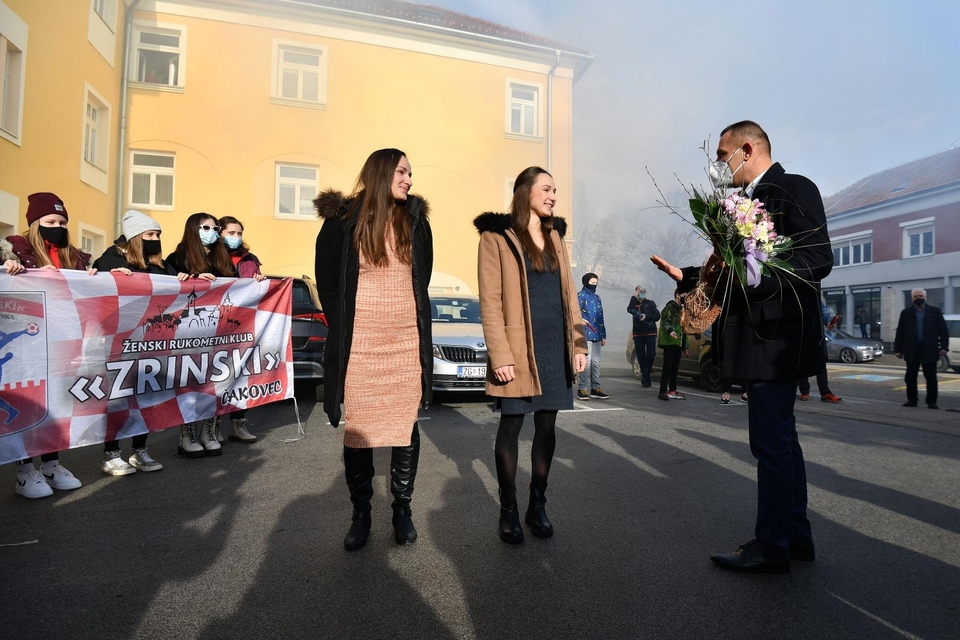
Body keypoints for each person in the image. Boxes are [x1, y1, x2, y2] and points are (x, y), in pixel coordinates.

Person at [652, 121, 833, 573]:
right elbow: (732, 267)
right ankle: (796, 536)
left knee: (769, 444)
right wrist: (688, 276)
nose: (717, 164)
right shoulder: (739, 202)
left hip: (776, 340)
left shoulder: (793, 189)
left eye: (721, 154)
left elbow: (817, 258)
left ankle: (771, 546)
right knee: (782, 441)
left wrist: (759, 279)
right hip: (758, 340)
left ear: (746, 150)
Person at [314, 148, 433, 550]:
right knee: (359, 432)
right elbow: (328, 285)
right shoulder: (341, 222)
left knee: (405, 426)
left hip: (405, 343)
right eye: (402, 172)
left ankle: (402, 509)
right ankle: (361, 513)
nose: (409, 180)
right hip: (360, 347)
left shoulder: (416, 222)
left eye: (410, 173)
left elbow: (420, 281)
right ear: (381, 173)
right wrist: (348, 327)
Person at [475, 166, 588, 544]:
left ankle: (537, 504)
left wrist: (578, 345)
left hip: (554, 346)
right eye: (546, 189)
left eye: (555, 190)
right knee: (511, 426)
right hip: (517, 350)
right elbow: (490, 302)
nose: (553, 196)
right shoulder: (495, 237)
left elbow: (571, 298)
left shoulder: (556, 236)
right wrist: (500, 355)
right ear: (525, 192)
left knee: (547, 428)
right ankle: (508, 510)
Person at [3, 192, 92, 497]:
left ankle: (52, 464)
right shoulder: (14, 250)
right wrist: (8, 265)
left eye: (62, 222)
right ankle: (25, 471)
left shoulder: (76, 257)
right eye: (50, 222)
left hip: (61, 341)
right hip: (26, 343)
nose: (57, 227)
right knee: (29, 403)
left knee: (56, 404)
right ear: (34, 223)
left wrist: (97, 276)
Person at [93, 210, 189, 474]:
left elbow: (179, 289)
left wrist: (188, 278)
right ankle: (111, 454)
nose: (155, 239)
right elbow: (94, 290)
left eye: (158, 235)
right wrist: (109, 277)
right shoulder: (110, 259)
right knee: (118, 398)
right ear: (135, 237)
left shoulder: (160, 266)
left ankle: (139, 450)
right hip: (119, 344)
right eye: (150, 235)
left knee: (145, 397)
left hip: (151, 344)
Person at [166, 212, 237, 456]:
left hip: (219, 333)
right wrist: (190, 280)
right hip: (187, 335)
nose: (212, 232)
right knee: (189, 384)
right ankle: (187, 435)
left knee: (215, 383)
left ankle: (210, 431)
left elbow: (236, 289)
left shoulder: (222, 258)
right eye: (206, 228)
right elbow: (165, 291)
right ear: (193, 230)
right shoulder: (177, 258)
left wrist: (255, 281)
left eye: (215, 228)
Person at [218, 215, 265, 444]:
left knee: (240, 376)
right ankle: (213, 426)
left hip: (243, 325)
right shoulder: (212, 257)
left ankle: (238, 424)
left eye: (239, 233)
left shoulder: (249, 259)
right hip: (217, 326)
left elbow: (257, 290)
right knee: (216, 377)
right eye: (231, 233)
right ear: (220, 234)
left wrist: (260, 280)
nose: (236, 237)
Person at [894, 289, 949, 409]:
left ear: (925, 297)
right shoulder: (906, 313)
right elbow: (900, 332)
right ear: (912, 298)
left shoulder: (934, 312)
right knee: (910, 377)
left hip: (929, 348)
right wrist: (897, 349)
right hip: (912, 349)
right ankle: (912, 400)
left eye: (920, 296)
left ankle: (931, 402)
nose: (918, 298)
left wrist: (944, 347)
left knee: (931, 377)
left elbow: (943, 331)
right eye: (915, 296)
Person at [799, 299, 842, 403]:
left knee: (821, 363)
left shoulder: (815, 295)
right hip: (801, 333)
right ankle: (804, 391)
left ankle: (825, 393)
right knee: (802, 363)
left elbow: (823, 310)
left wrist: (828, 322)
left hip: (816, 333)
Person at [577, 272, 608, 400]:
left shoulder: (597, 298)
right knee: (587, 362)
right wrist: (581, 319)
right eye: (592, 283)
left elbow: (600, 317)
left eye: (596, 283)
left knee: (596, 362)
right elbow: (574, 312)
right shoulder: (580, 296)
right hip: (585, 333)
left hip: (597, 333)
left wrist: (603, 334)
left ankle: (595, 388)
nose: (594, 285)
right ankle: (582, 389)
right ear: (586, 282)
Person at [657, 289, 687, 401]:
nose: (686, 298)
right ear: (678, 295)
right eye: (684, 295)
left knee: (675, 368)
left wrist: (685, 346)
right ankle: (662, 391)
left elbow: (684, 329)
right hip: (669, 341)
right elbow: (664, 321)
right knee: (667, 367)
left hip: (677, 342)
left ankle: (672, 390)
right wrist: (670, 330)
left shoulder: (682, 310)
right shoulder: (670, 307)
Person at [628, 285, 659, 388]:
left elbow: (657, 316)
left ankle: (646, 375)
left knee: (651, 355)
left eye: (641, 292)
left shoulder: (650, 303)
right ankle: (647, 379)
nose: (639, 294)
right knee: (640, 356)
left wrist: (647, 316)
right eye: (638, 292)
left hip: (650, 332)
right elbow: (630, 309)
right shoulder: (634, 304)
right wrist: (634, 297)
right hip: (638, 333)